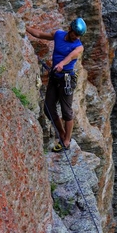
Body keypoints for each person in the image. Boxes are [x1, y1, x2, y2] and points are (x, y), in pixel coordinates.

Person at [26, 18, 86, 152]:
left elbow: (70, 57)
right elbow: (41, 35)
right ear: (70, 29)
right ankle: (62, 133)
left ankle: (66, 141)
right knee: (48, 107)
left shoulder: (78, 46)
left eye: (78, 35)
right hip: (55, 77)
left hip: (66, 79)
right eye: (74, 33)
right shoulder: (59, 35)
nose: (76, 37)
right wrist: (26, 29)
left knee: (66, 111)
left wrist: (61, 64)